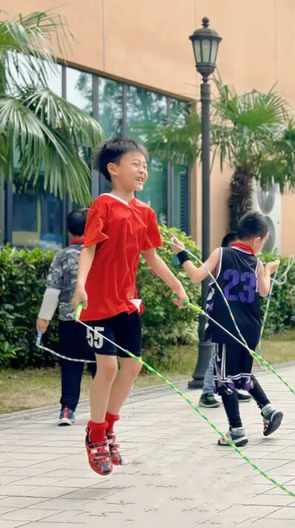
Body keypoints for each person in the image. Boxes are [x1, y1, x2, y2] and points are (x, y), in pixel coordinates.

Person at [72, 138, 188, 476]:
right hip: (97, 304)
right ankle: (95, 435)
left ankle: (109, 428)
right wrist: (80, 285)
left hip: (126, 304)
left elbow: (152, 257)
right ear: (113, 169)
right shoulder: (103, 206)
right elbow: (88, 248)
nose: (142, 170)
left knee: (132, 367)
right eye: (135, 164)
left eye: (145, 165)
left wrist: (177, 285)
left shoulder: (145, 213)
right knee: (107, 368)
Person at [172, 213, 282, 447]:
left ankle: (236, 430)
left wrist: (181, 253)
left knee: (224, 379)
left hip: (227, 328)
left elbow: (195, 276)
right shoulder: (256, 263)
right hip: (250, 329)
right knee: (241, 373)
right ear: (256, 240)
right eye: (264, 241)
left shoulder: (221, 254)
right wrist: (268, 271)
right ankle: (268, 409)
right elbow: (264, 292)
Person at [36, 208, 97, 426]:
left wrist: (44, 318)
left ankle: (67, 410)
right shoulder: (100, 252)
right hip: (98, 320)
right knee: (101, 366)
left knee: (70, 364)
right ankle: (105, 410)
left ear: (70, 231)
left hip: (69, 321)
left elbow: (53, 289)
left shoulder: (62, 255)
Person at [198, 231, 252, 409]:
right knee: (219, 353)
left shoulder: (243, 265)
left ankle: (231, 387)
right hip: (220, 316)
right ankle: (207, 392)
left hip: (237, 318)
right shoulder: (220, 261)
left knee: (231, 353)